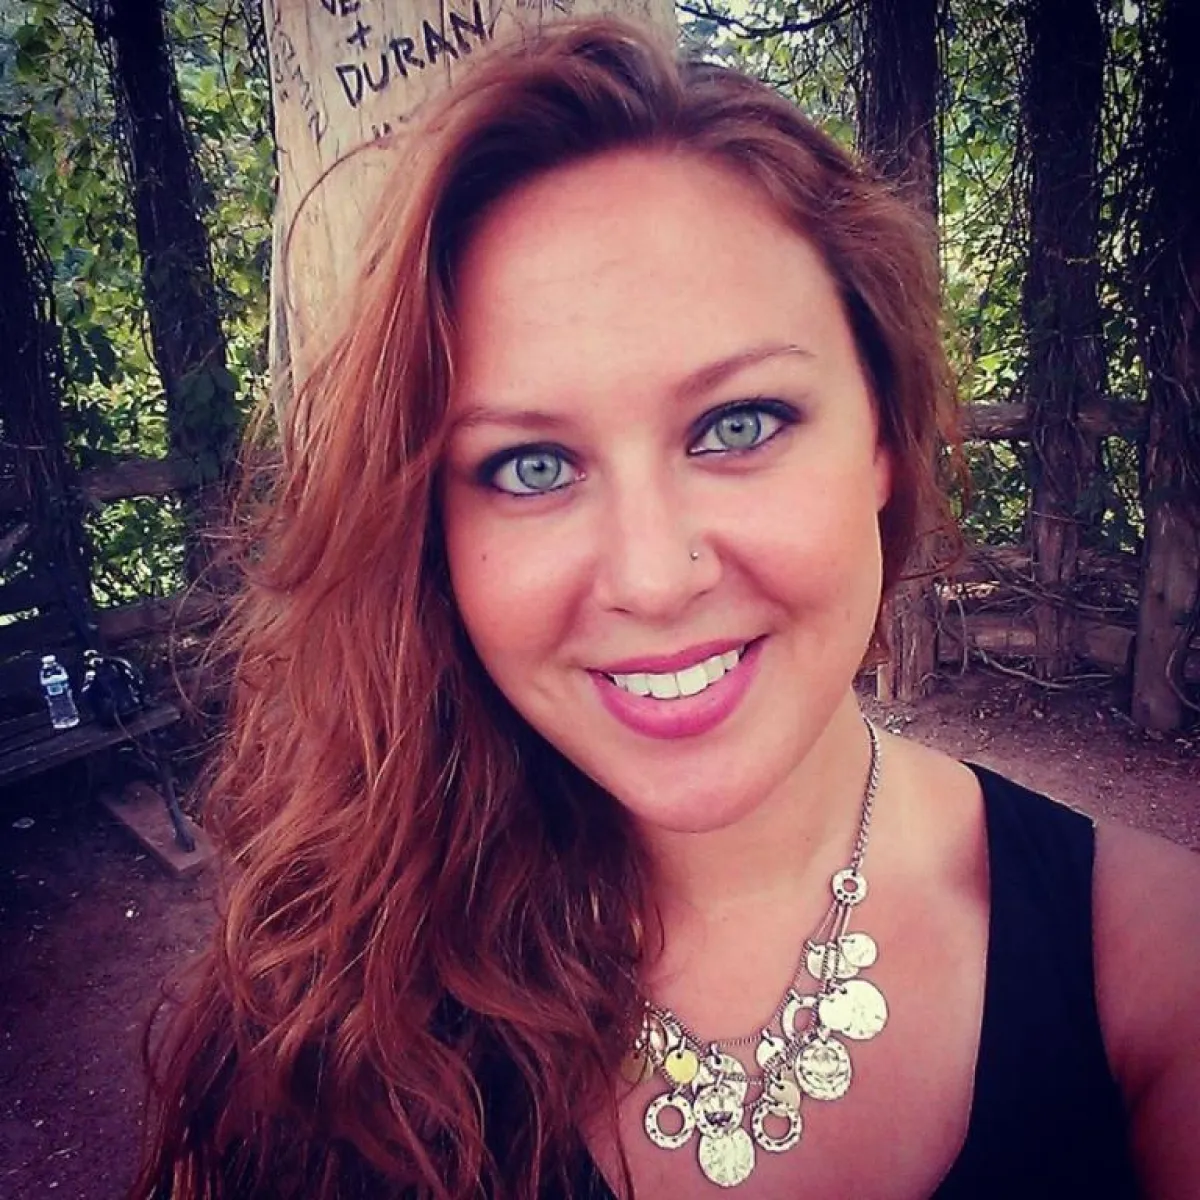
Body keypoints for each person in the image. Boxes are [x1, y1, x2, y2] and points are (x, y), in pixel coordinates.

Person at [133, 17, 1200, 1200]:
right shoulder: (320, 996)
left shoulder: (1159, 968)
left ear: (885, 442)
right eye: (532, 465)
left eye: (738, 424)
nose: (651, 578)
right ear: (432, 530)